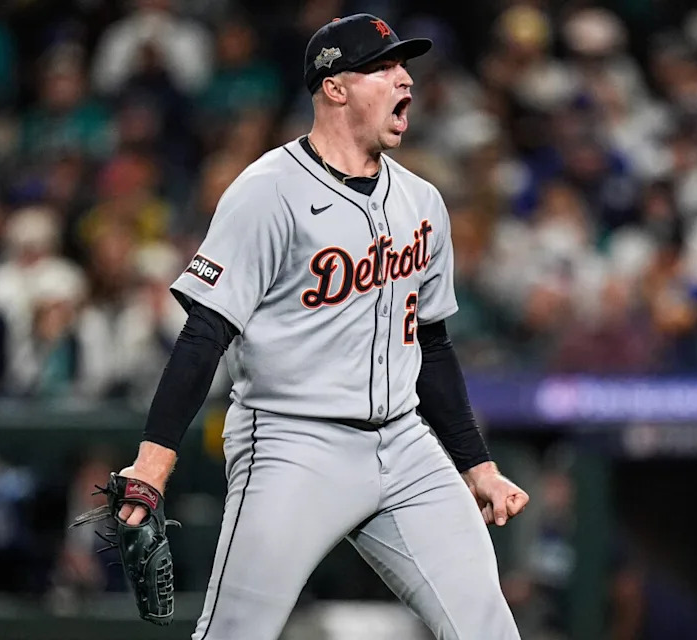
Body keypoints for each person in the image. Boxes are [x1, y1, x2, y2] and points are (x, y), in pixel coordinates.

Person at [109, 14, 529, 640]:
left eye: (404, 66)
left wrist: (478, 466)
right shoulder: (266, 192)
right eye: (385, 68)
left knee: (488, 629)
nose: (405, 79)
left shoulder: (422, 201)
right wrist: (153, 462)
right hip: (293, 447)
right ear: (335, 87)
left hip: (407, 445)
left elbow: (432, 346)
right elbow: (204, 335)